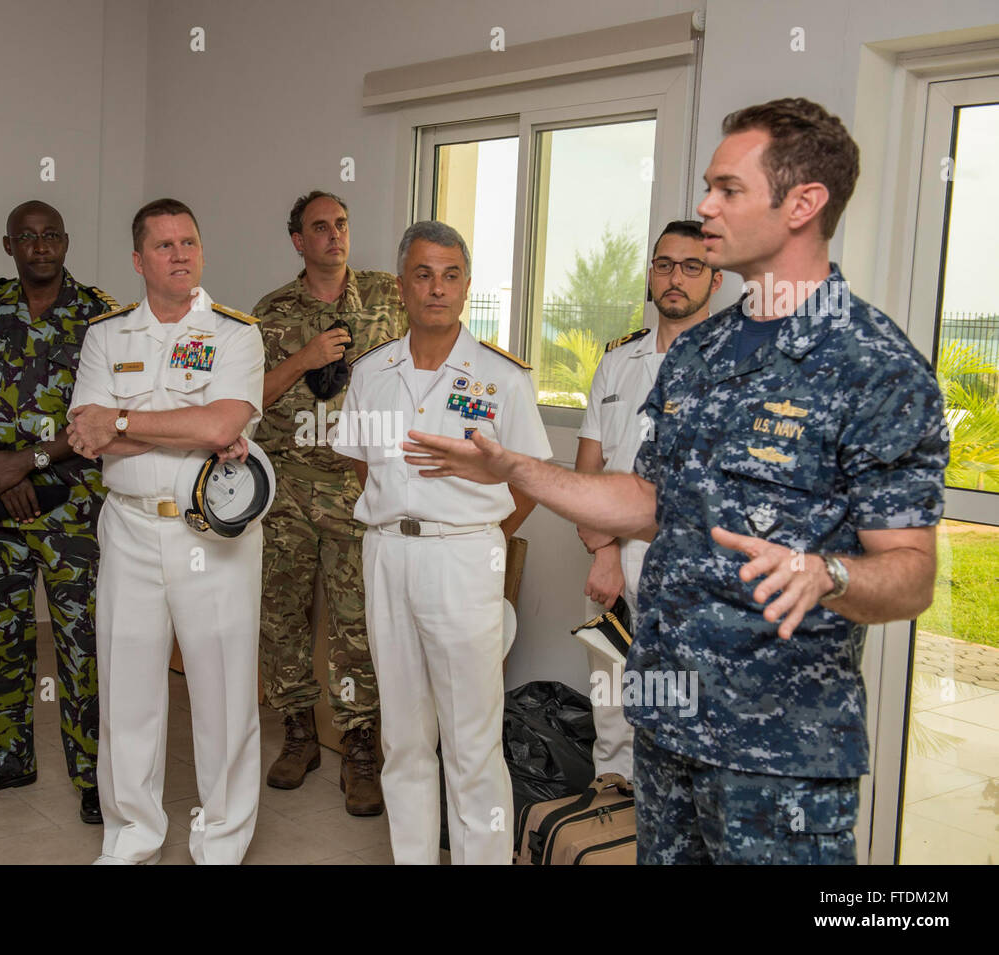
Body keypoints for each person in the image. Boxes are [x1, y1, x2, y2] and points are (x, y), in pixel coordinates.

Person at [401, 98, 948, 865]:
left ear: (803, 204)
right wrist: (515, 466)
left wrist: (827, 573)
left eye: (728, 189)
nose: (704, 206)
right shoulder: (701, 353)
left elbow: (913, 573)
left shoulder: (873, 365)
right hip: (666, 720)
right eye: (707, 186)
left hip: (778, 753)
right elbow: (650, 501)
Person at [332, 220, 550, 865]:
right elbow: (361, 464)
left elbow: (528, 479)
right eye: (423, 274)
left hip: (464, 558)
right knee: (403, 735)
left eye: (451, 275)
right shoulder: (372, 372)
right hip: (388, 555)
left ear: (467, 286)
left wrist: (480, 534)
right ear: (402, 285)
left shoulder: (501, 377)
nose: (437, 288)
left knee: (471, 741)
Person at [67, 198, 265, 865]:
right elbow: (86, 438)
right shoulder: (106, 335)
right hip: (128, 529)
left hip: (211, 535)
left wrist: (124, 422)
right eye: (164, 245)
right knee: (127, 689)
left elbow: (219, 426)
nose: (180, 255)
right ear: (137, 260)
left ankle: (222, 842)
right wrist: (179, 426)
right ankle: (132, 834)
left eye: (189, 242)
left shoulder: (237, 333)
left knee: (223, 693)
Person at [0, 200, 116, 824]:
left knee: (81, 645)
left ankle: (94, 774)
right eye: (27, 238)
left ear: (66, 242)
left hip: (72, 510)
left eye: (51, 236)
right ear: (7, 244)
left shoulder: (100, 315)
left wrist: (28, 462)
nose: (40, 247)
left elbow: (107, 416)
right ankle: (9, 759)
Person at [251, 190, 405, 814]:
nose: (334, 236)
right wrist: (304, 359)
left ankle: (359, 747)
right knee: (281, 615)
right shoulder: (271, 312)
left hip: (357, 486)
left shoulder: (388, 297)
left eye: (341, 224)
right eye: (320, 227)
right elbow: (246, 399)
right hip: (286, 486)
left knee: (354, 622)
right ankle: (297, 734)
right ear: (298, 240)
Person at [575, 220, 722, 780]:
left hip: (693, 582)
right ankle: (609, 842)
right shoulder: (618, 364)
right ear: (651, 275)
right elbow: (587, 476)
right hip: (611, 574)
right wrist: (605, 553)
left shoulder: (731, 368)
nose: (675, 278)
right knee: (612, 722)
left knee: (683, 734)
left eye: (691, 266)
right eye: (665, 265)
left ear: (716, 277)